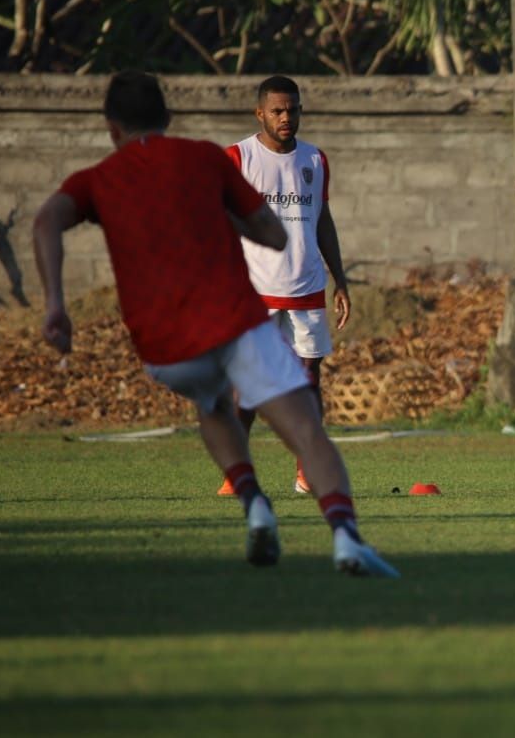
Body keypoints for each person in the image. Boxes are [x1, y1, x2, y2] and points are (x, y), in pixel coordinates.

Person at [32, 70, 397, 576]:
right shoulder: (208, 157)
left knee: (212, 403)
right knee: (304, 426)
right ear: (168, 118)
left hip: (161, 343)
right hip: (233, 315)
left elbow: (46, 220)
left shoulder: (96, 179)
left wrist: (54, 304)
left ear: (111, 128)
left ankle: (254, 501)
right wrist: (259, 233)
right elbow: (269, 232)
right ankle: (345, 536)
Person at [216, 75, 351, 498]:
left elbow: (322, 222)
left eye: (292, 109)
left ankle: (307, 472)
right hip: (254, 290)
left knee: (309, 379)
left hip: (307, 285)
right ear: (260, 113)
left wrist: (340, 279)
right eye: (277, 110)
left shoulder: (315, 160)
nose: (285, 117)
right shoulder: (238, 157)